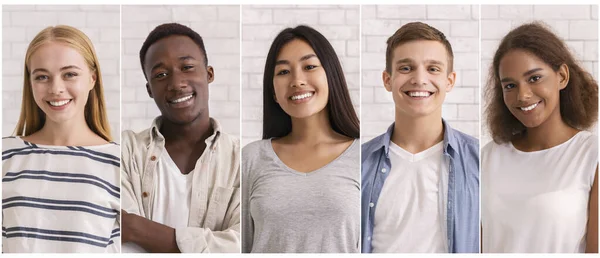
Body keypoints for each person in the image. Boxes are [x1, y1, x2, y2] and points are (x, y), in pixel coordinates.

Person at [120, 23, 240, 253]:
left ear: (209, 74)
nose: (176, 84)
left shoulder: (240, 160)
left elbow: (241, 245)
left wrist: (138, 228)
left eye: (187, 67)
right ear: (149, 89)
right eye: (161, 75)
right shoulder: (126, 151)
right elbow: (117, 240)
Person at [361, 22, 480, 253]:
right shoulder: (361, 162)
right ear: (387, 80)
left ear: (450, 81)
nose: (419, 79)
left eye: (433, 69)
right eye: (406, 68)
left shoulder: (479, 161)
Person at [241, 25, 360, 253]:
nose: (297, 80)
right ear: (273, 92)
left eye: (310, 66)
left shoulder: (363, 158)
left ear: (331, 77)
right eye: (284, 72)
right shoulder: (251, 158)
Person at [482, 22, 598, 253]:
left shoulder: (591, 155)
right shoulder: (488, 157)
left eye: (534, 78)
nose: (523, 95)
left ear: (562, 76)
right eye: (510, 85)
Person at [2, 25, 120, 252]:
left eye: (70, 74)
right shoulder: (6, 155)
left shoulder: (119, 163)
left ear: (92, 79)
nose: (56, 88)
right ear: (30, 82)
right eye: (42, 76)